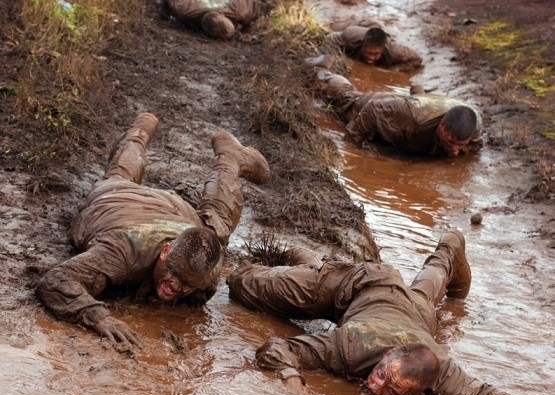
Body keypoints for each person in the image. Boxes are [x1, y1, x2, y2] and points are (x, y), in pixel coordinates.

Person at [227, 230, 520, 395]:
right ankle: (308, 262)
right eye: (382, 374)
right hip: (358, 285)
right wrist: (291, 380)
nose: (376, 386)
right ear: (386, 356)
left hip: (416, 314)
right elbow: (277, 347)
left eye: (392, 390)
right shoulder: (350, 346)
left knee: (424, 291)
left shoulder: (444, 376)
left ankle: (450, 247)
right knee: (241, 284)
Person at [36, 113, 271, 348]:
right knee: (118, 177)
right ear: (165, 251)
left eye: (187, 284)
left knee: (216, 229)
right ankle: (140, 130)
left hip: (179, 214)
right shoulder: (122, 251)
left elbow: (197, 293)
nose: (177, 287)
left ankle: (230, 157)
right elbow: (57, 279)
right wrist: (101, 318)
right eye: (175, 274)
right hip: (118, 197)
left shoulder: (206, 277)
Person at [307, 57, 483, 157]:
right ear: (442, 125)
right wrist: (352, 145)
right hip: (378, 104)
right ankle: (320, 69)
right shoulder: (410, 116)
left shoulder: (474, 126)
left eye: (460, 144)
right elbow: (373, 108)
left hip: (422, 105)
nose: (455, 150)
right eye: (451, 142)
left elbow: (475, 146)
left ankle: (417, 90)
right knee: (346, 98)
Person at [325, 25, 423, 70]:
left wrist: (395, 69)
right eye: (368, 52)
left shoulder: (394, 51)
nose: (371, 58)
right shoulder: (350, 35)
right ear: (363, 45)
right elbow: (328, 39)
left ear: (382, 49)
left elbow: (417, 59)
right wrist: (341, 60)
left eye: (376, 54)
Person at [162, 0, 262, 40]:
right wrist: (247, 30)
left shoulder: (241, 10)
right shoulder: (185, 10)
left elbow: (255, 10)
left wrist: (247, 30)